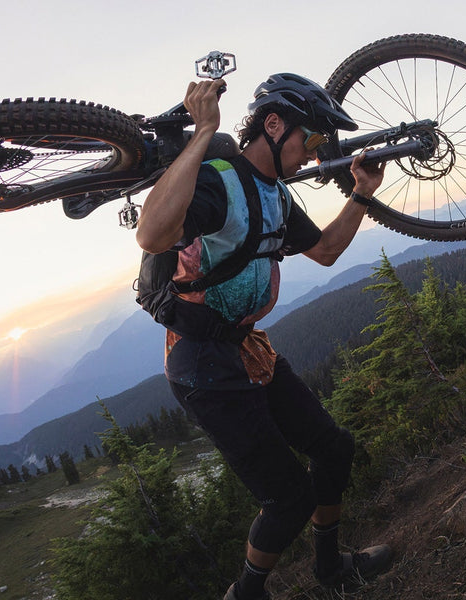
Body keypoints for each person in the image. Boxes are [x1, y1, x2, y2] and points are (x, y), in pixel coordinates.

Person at [134, 73, 393, 600]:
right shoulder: (218, 182)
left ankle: (329, 569)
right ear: (273, 125)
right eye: (311, 138)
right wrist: (204, 132)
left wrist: (362, 193)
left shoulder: (276, 194)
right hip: (203, 367)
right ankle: (246, 594)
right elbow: (152, 234)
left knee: (333, 449)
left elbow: (325, 251)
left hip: (247, 349)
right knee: (288, 498)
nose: (316, 151)